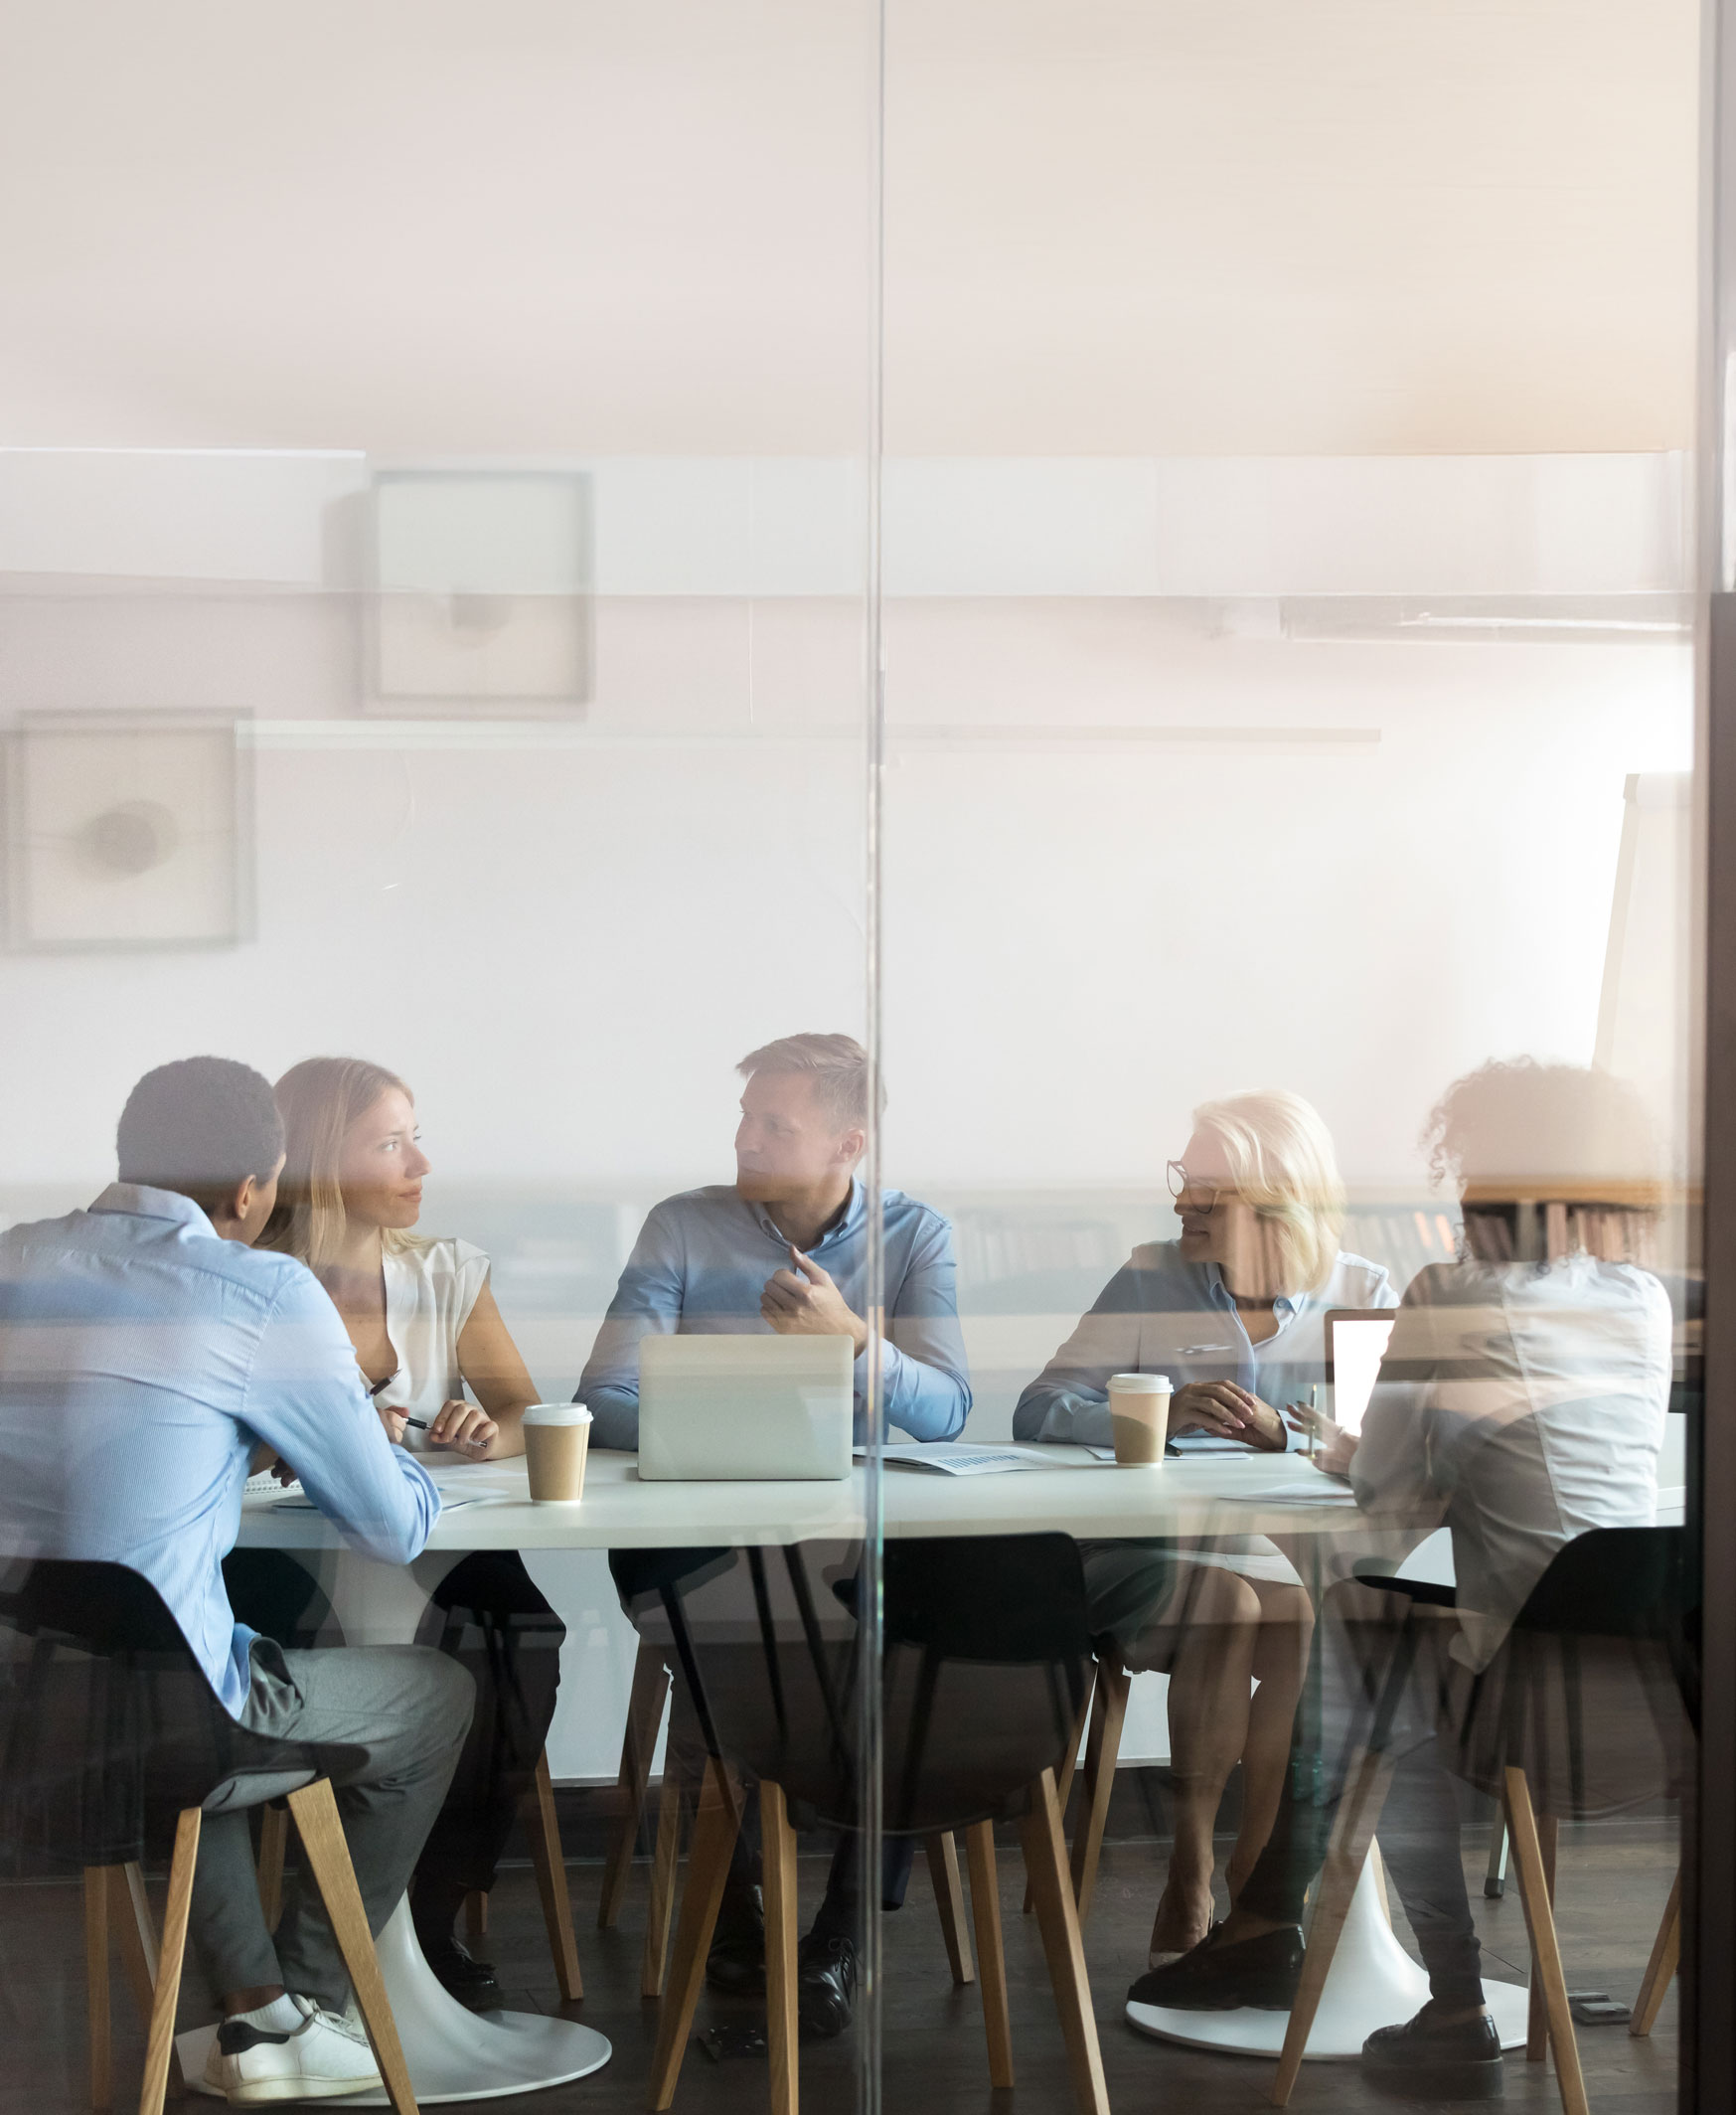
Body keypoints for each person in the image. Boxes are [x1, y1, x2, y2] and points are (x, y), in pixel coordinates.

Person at [1134, 1060, 1672, 2096]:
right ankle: (1268, 1920)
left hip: (1520, 1694)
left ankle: (1444, 1992)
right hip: (1647, 1686)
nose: (1456, 1193)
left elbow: (1385, 1501)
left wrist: (1344, 1449)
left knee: (1357, 1647)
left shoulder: (1452, 1294)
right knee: (1364, 1642)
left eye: (1467, 1168)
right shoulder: (1641, 1302)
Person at [0, 1058, 470, 2108]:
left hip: (28, 1700)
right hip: (173, 1718)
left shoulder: (17, 1257)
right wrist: (379, 1440)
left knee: (176, 1664)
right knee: (437, 1695)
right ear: (252, 1190)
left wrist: (230, 1443)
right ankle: (308, 2007)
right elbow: (390, 1530)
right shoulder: (256, 1286)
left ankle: (255, 2007)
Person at [582, 1032, 972, 2037]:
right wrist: (749, 1399)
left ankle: (841, 1931)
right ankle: (738, 1908)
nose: (746, 1137)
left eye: (774, 1123)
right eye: (746, 1116)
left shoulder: (915, 1235)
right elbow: (603, 1397)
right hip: (698, 1536)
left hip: (843, 1541)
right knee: (749, 1635)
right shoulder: (682, 1226)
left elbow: (945, 1411)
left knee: (899, 1646)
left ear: (848, 1142)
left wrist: (846, 1341)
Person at [1014, 1089, 1395, 1963]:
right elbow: (1038, 1410)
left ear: (1276, 1198)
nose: (1181, 1202)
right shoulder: (1151, 1275)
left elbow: (1386, 1456)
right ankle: (1191, 1870)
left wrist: (1288, 1436)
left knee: (1289, 1608)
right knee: (1232, 1601)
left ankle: (1259, 1878)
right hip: (1147, 1551)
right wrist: (1155, 1414)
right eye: (1184, 1180)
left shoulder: (1363, 1291)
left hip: (1291, 1560)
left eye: (1207, 1190)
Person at [258, 1056, 564, 2014]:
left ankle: (421, 1923)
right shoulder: (251, 1281)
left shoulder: (444, 1272)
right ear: (316, 1158)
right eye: (390, 1143)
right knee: (358, 1668)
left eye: (414, 1135)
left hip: (439, 1540)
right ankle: (335, 1935)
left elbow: (523, 1410)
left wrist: (481, 1431)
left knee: (521, 1647)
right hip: (286, 1559)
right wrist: (311, 1445)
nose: (419, 1162)